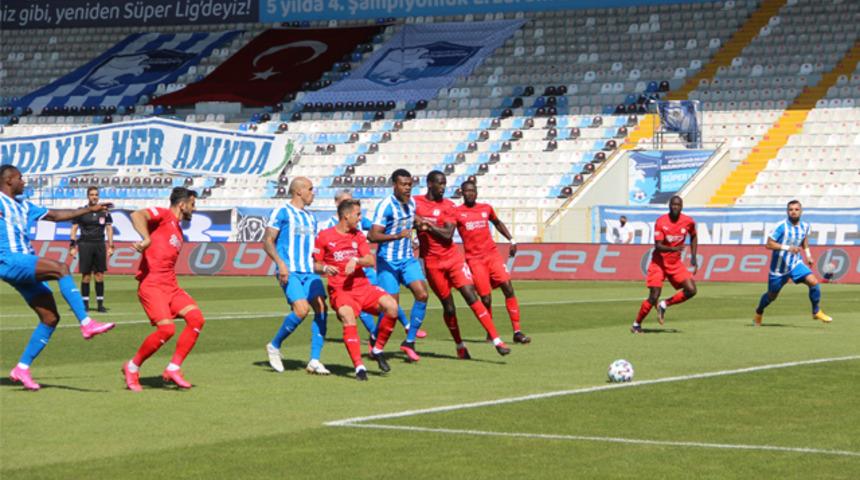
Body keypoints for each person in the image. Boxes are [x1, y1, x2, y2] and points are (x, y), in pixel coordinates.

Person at [2, 165, 115, 391]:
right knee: (61, 268)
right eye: (20, 178)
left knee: (50, 318)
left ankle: (22, 368)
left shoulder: (24, 205)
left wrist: (88, 209)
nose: (24, 182)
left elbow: (55, 216)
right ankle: (86, 323)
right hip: (9, 259)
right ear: (9, 180)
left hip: (24, 261)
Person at [415, 172, 511, 358]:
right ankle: (459, 345)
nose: (443, 187)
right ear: (429, 184)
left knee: (471, 296)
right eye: (439, 183)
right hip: (432, 264)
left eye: (444, 183)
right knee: (449, 308)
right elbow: (407, 220)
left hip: (453, 259)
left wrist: (427, 225)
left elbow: (447, 234)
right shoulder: (415, 203)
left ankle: (497, 340)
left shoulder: (449, 206)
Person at [122, 187, 206, 391]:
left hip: (171, 286)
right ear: (182, 205)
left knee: (197, 319)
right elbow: (136, 215)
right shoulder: (164, 215)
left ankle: (173, 369)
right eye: (192, 204)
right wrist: (146, 238)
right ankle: (132, 367)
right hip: (152, 285)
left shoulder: (179, 230)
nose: (194, 209)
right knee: (167, 329)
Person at [314, 199, 400, 380]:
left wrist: (356, 260)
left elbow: (370, 260)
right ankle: (359, 366)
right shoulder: (324, 236)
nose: (360, 218)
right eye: (358, 214)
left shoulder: (358, 235)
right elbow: (315, 265)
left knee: (392, 306)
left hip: (363, 287)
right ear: (347, 215)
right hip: (340, 290)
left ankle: (377, 349)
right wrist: (325, 268)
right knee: (348, 316)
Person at [323, 189, 414, 340]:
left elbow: (375, 230)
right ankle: (374, 333)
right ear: (337, 204)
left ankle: (406, 324)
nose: (350, 204)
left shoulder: (359, 220)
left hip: (365, 270)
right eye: (346, 201)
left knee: (386, 296)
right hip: (347, 275)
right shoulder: (329, 226)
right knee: (359, 305)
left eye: (351, 200)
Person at [262, 177, 330, 375]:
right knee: (301, 309)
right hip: (290, 270)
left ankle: (314, 360)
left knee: (321, 308)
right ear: (299, 191)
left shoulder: (310, 218)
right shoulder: (282, 211)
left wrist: (324, 267)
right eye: (310, 189)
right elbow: (267, 241)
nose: (313, 193)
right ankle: (274, 345)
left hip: (309, 271)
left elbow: (311, 250)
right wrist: (281, 263)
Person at [455, 180, 530, 344]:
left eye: (472, 191)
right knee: (486, 299)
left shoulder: (486, 208)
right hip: (475, 260)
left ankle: (517, 332)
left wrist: (512, 240)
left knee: (508, 287)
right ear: (462, 193)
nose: (470, 193)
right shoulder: (457, 212)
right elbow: (447, 231)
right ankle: (491, 332)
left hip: (492, 255)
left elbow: (497, 223)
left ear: (476, 193)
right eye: (467, 191)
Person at [368, 169, 429, 362]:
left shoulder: (411, 203)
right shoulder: (385, 206)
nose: (407, 188)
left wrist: (420, 223)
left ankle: (409, 342)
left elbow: (411, 218)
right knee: (390, 307)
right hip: (387, 261)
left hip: (407, 259)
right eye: (403, 184)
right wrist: (396, 236)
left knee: (422, 294)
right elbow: (372, 235)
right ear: (394, 185)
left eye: (410, 184)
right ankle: (375, 338)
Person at [754, 200, 832, 325]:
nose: (793, 212)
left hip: (795, 263)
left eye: (796, 209)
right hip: (779, 269)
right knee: (771, 296)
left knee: (813, 282)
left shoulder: (805, 226)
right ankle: (759, 312)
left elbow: (804, 240)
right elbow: (769, 244)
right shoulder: (781, 226)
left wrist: (808, 255)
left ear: (801, 211)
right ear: (787, 211)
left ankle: (816, 311)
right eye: (791, 209)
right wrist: (787, 248)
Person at [632, 195, 698, 333]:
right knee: (654, 295)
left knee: (691, 290)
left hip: (675, 263)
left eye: (678, 205)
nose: (675, 207)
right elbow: (658, 245)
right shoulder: (661, 222)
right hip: (659, 263)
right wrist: (673, 249)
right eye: (673, 204)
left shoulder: (688, 221)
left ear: (682, 207)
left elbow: (693, 236)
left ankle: (664, 304)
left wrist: (693, 256)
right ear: (669, 206)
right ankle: (636, 324)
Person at [69, 186, 114, 312]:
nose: (94, 197)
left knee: (99, 275)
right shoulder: (81, 211)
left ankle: (100, 305)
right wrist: (72, 246)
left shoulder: (105, 212)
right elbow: (74, 229)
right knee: (86, 276)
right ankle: (85, 305)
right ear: (88, 196)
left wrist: (111, 246)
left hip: (99, 244)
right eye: (92, 194)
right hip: (85, 244)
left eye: (96, 195)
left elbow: (109, 229)